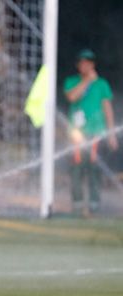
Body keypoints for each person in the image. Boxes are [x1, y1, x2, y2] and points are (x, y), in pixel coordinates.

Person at [63, 48, 118, 214]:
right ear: (78, 65)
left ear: (93, 65)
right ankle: (78, 204)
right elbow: (72, 97)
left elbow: (107, 108)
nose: (85, 66)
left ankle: (94, 204)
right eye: (82, 63)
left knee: (95, 167)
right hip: (77, 133)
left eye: (88, 63)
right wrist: (87, 81)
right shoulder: (72, 81)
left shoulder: (102, 84)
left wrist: (111, 133)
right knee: (77, 168)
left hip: (97, 132)